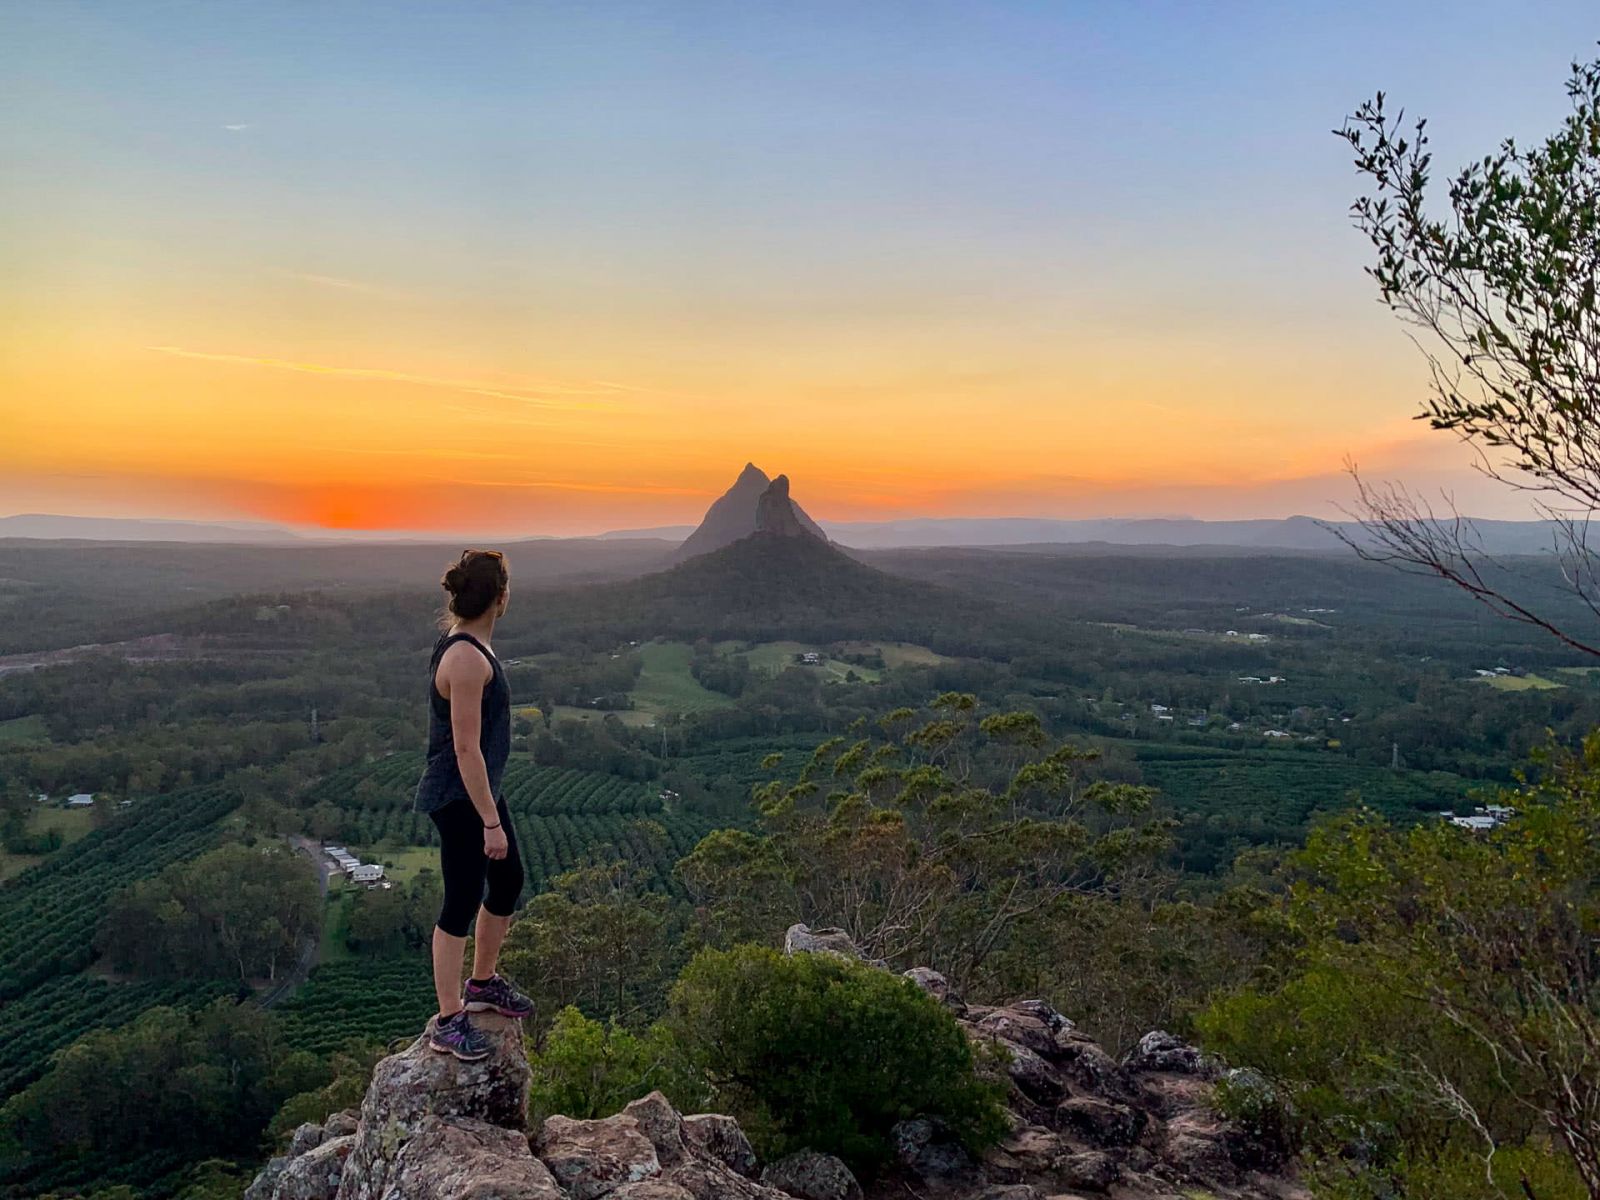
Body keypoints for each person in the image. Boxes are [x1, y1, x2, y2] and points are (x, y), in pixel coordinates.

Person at [412, 548, 534, 1061]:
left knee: (507, 880)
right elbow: (464, 747)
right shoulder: (464, 657)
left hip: (479, 786)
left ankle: (482, 983)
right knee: (462, 898)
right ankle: (448, 1017)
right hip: (459, 794)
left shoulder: (469, 645)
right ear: (501, 597)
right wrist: (489, 821)